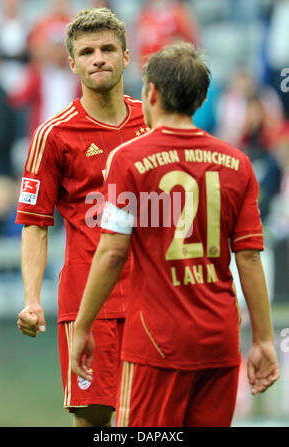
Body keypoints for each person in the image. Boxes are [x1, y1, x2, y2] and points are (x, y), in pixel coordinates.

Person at [71, 42, 280, 427]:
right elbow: (248, 258)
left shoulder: (129, 160)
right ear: (200, 99)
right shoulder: (238, 163)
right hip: (219, 339)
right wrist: (264, 341)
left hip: (156, 340)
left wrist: (82, 327)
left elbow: (112, 253)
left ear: (150, 93)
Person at [15, 8, 146, 427]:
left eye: (108, 49)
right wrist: (32, 300)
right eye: (87, 52)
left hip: (152, 300)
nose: (99, 58)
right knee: (93, 422)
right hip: (89, 304)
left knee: (152, 422)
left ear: (127, 57)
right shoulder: (52, 135)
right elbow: (35, 223)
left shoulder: (154, 122)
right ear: (72, 64)